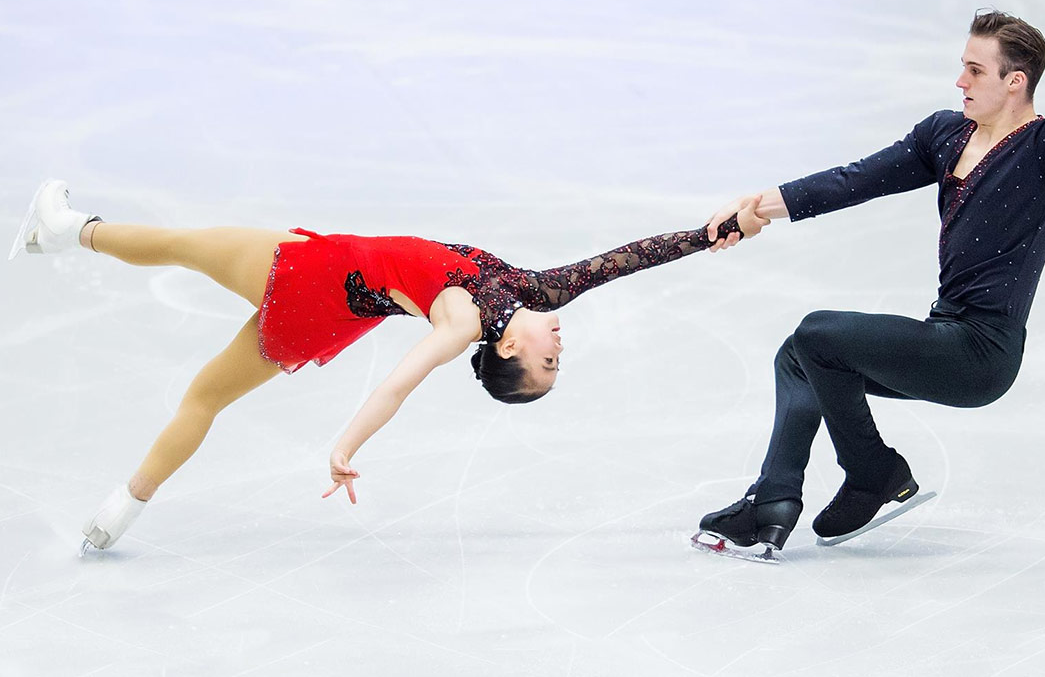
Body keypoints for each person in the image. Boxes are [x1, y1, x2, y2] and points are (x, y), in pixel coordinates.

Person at [694, 11, 1045, 555]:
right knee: (800, 356)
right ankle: (782, 497)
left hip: (980, 355)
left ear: (1015, 81)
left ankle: (870, 471)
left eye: (975, 71)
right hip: (942, 335)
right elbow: (853, 181)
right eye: (963, 67)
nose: (960, 81)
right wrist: (754, 208)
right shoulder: (944, 135)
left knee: (818, 333)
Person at [11, 183, 769, 551]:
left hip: (310, 273)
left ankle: (70, 227)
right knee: (206, 397)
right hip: (329, 310)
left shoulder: (464, 319)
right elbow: (625, 260)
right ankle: (121, 509)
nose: (558, 350)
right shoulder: (535, 291)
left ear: (507, 352)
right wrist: (716, 231)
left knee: (181, 244)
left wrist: (345, 448)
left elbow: (399, 384)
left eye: (546, 366)